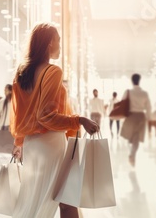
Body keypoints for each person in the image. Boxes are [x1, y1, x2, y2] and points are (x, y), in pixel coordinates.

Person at [10, 23, 99, 218]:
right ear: (50, 43)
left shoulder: (22, 72)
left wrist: (19, 143)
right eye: (58, 40)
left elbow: (19, 114)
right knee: (66, 201)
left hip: (32, 146)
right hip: (51, 144)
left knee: (38, 200)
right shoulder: (52, 71)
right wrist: (80, 120)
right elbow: (45, 116)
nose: (60, 44)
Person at [120, 74, 151, 167]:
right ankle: (132, 155)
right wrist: (148, 118)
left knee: (129, 138)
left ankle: (131, 154)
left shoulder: (128, 92)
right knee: (136, 138)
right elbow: (148, 107)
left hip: (130, 116)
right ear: (139, 80)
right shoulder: (144, 93)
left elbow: (122, 103)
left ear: (132, 81)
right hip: (141, 116)